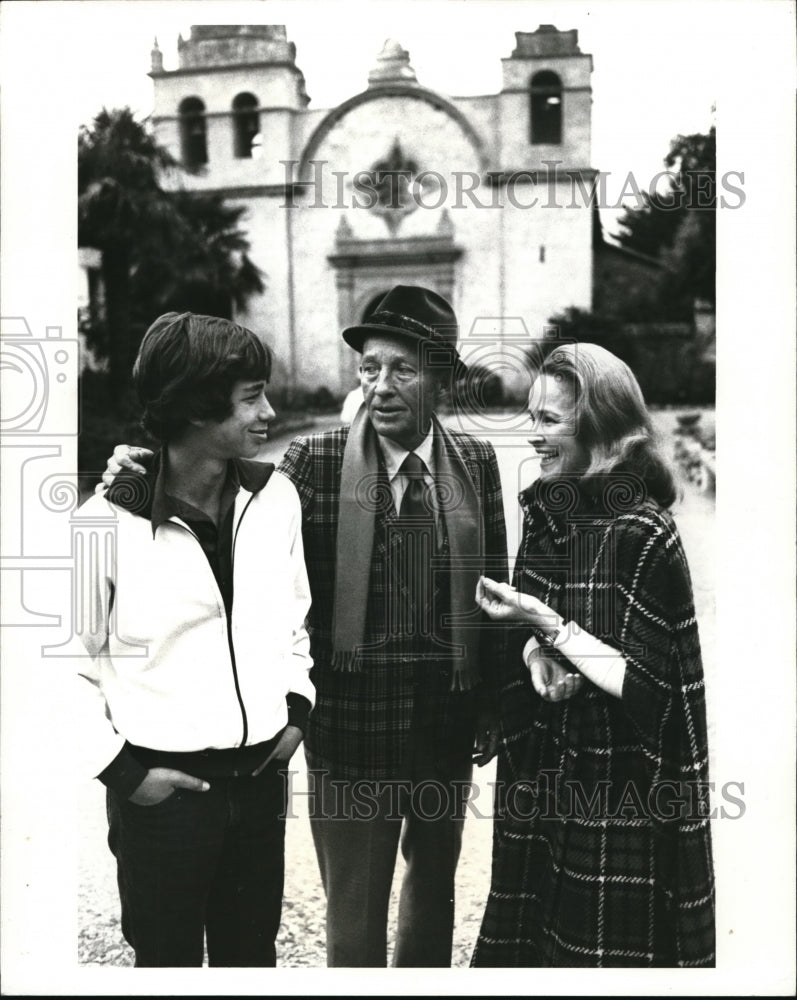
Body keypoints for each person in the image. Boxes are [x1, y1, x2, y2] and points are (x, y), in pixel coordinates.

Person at [102, 285, 509, 967]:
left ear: (442, 377)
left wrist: (491, 701)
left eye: (402, 370)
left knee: (432, 891)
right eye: (368, 369)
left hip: (446, 717)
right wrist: (138, 470)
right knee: (353, 912)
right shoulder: (311, 464)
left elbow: (489, 585)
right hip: (351, 726)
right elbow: (224, 498)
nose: (380, 387)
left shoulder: (475, 463)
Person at [75, 312, 315, 967]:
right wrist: (129, 776)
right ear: (192, 409)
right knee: (166, 963)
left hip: (260, 782)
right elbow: (58, 667)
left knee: (250, 959)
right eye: (250, 397)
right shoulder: (102, 524)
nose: (269, 411)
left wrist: (294, 712)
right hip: (162, 799)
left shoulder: (277, 500)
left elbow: (294, 618)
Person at [470, 342, 715, 968]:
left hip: (616, 787)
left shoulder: (643, 531)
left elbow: (654, 694)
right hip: (546, 774)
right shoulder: (549, 513)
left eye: (549, 420)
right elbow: (539, 631)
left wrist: (547, 625)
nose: (534, 435)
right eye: (532, 417)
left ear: (601, 426)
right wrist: (533, 651)